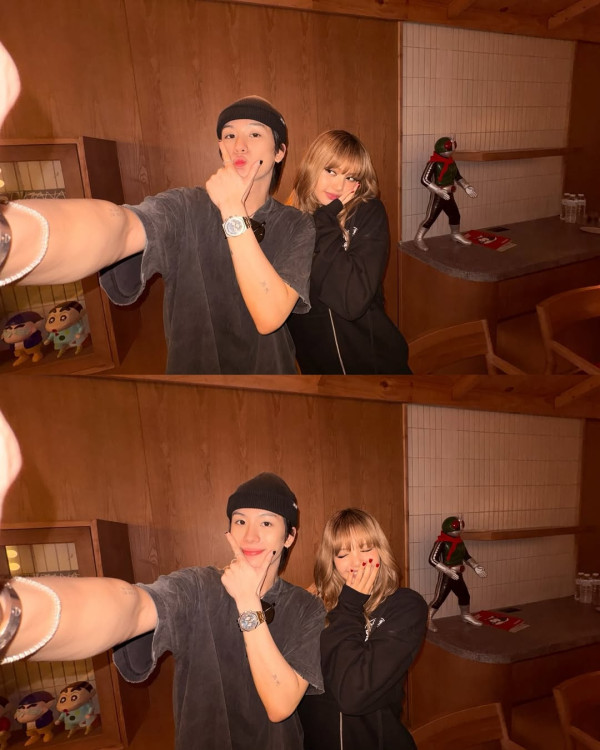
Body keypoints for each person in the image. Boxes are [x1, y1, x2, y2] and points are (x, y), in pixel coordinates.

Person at [0, 41, 315, 374]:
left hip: (273, 384)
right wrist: (9, 239)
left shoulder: (297, 225)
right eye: (228, 135)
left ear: (279, 151)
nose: (239, 145)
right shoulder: (186, 207)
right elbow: (119, 227)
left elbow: (269, 316)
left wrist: (231, 209)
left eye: (255, 134)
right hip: (195, 386)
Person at [0, 447, 325, 750]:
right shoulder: (199, 587)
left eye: (266, 522)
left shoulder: (306, 607)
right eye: (240, 521)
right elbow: (132, 606)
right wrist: (11, 615)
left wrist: (247, 601)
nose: (250, 536)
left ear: (289, 536)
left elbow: (280, 706)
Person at [298, 508, 427, 750]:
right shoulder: (314, 607)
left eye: (366, 549)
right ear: (332, 561)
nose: (356, 562)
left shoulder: (405, 606)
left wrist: (350, 604)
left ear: (381, 551)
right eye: (343, 553)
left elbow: (353, 695)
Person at [287, 130, 411, 374]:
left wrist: (325, 221)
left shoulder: (368, 212)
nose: (338, 185)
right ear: (312, 167)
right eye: (331, 171)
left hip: (377, 367)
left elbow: (351, 301)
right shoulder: (290, 222)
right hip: (319, 372)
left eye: (350, 177)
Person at [414, 135, 477, 252]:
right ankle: (418, 238)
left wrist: (466, 186)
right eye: (449, 147)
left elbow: (458, 177)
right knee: (430, 218)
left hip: (449, 194)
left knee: (455, 215)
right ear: (441, 148)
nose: (452, 150)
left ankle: (455, 234)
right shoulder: (433, 163)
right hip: (438, 195)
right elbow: (424, 179)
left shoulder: (451, 162)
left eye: (453, 146)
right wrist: (438, 190)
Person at [427, 514, 487, 632]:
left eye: (461, 526)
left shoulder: (459, 542)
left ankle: (465, 615)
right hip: (447, 575)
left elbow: (466, 556)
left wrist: (476, 566)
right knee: (439, 598)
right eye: (457, 526)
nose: (460, 529)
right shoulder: (441, 542)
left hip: (458, 574)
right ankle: (427, 619)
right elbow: (432, 559)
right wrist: (447, 571)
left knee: (464, 595)